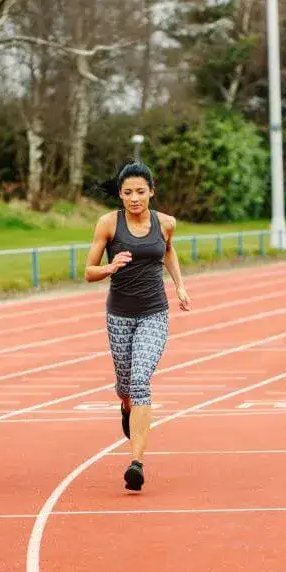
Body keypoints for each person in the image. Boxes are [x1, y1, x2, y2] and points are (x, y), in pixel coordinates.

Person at [85, 161, 191, 492]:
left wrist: (180, 286)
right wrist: (109, 267)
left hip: (154, 313)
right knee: (126, 386)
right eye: (128, 193)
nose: (134, 198)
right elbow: (88, 271)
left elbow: (168, 253)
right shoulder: (108, 224)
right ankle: (125, 406)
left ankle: (136, 463)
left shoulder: (166, 223)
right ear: (120, 195)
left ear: (151, 192)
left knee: (141, 380)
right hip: (119, 314)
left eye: (140, 192)